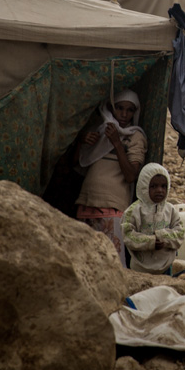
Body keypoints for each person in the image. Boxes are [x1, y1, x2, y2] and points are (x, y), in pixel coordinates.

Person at [74, 90, 147, 266]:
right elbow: (75, 165)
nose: (124, 114)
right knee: (85, 263)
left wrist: (116, 142)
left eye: (129, 110)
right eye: (119, 108)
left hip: (113, 208)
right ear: (110, 108)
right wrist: (82, 143)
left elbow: (130, 175)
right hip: (86, 203)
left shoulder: (135, 137)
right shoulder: (99, 130)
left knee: (112, 264)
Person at [122, 163, 184, 275]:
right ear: (144, 187)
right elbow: (128, 235)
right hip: (140, 267)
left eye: (164, 186)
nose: (160, 190)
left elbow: (180, 233)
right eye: (154, 186)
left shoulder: (170, 210)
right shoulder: (134, 211)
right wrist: (151, 242)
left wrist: (163, 237)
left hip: (165, 266)